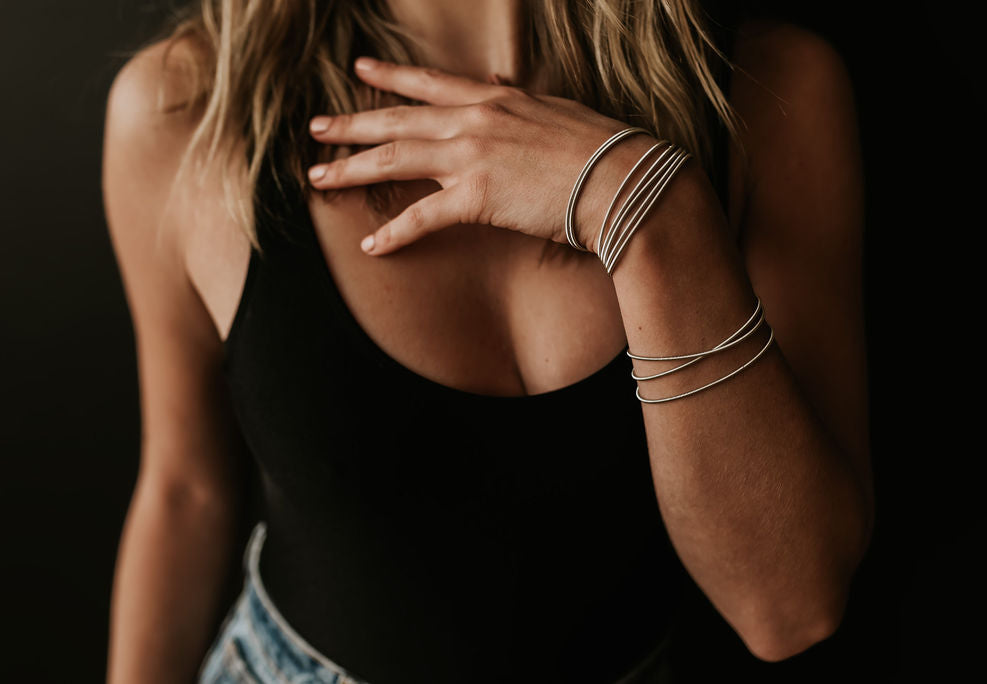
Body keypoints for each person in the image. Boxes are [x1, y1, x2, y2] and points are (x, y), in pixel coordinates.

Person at [101, 0, 873, 682]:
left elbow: (789, 608)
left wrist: (644, 207)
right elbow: (185, 490)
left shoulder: (768, 92)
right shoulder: (192, 107)